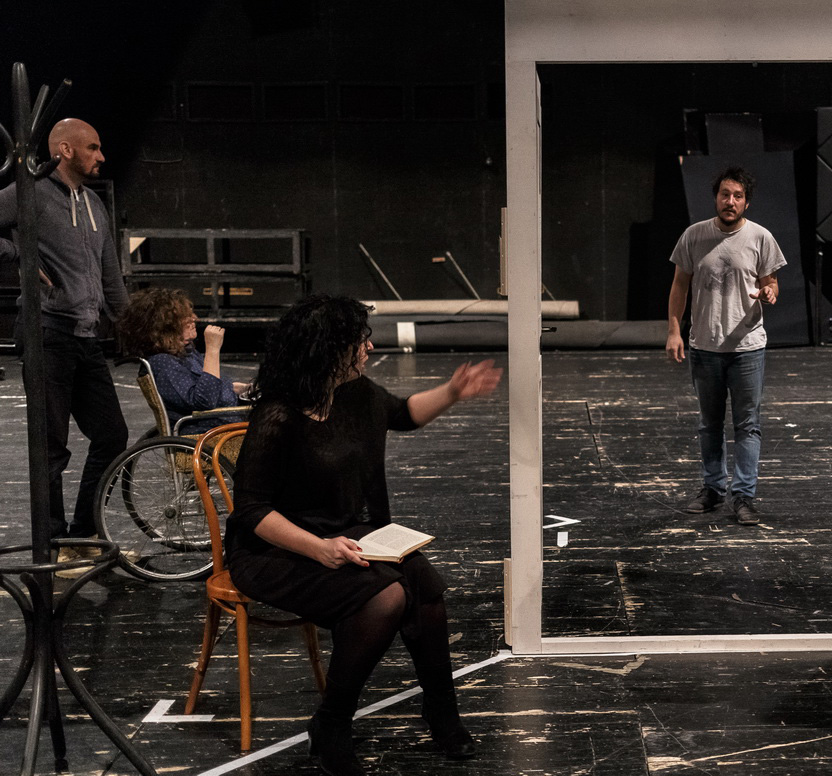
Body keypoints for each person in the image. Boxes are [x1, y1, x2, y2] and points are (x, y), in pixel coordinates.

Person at [226, 295, 502, 776]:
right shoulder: (279, 414)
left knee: (426, 589)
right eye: (359, 341)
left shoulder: (356, 392)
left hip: (347, 532)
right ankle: (332, 724)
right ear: (328, 349)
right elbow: (252, 510)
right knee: (386, 597)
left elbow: (403, 413)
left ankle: (440, 709)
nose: (369, 348)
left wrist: (453, 391)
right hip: (276, 549)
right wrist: (319, 548)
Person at [0, 118, 129, 560]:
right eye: (93, 147)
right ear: (66, 150)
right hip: (46, 332)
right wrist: (18, 253)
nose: (101, 156)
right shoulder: (30, 193)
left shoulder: (93, 203)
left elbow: (111, 278)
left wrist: (138, 329)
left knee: (112, 435)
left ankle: (83, 535)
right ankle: (52, 543)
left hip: (85, 336)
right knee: (50, 445)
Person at [666, 166, 786, 526]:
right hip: (705, 346)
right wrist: (674, 330)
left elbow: (771, 283)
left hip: (747, 347)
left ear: (746, 202)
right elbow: (679, 286)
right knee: (709, 424)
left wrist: (769, 292)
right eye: (724, 194)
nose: (730, 201)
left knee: (747, 424)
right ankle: (713, 489)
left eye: (737, 196)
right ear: (716, 198)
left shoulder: (760, 237)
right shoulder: (694, 236)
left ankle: (743, 495)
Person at [114, 287, 249, 435]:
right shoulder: (163, 363)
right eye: (185, 317)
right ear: (164, 328)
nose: (194, 319)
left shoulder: (185, 352)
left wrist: (239, 388)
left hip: (226, 422)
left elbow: (209, 386)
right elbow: (205, 401)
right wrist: (213, 349)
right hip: (209, 431)